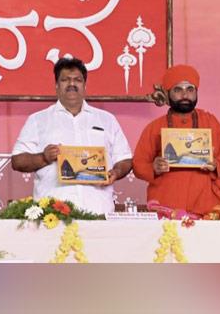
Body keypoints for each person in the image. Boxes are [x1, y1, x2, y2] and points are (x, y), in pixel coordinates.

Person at [10, 57, 133, 215]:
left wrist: (115, 172)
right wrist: (43, 157)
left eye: (77, 80)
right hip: (52, 215)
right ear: (56, 85)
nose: (72, 84)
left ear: (84, 85)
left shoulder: (107, 119)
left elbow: (125, 158)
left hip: (99, 212)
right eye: (65, 80)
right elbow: (17, 161)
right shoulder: (38, 120)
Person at [131, 64, 220, 216]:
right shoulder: (154, 127)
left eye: (190, 90)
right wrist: (153, 167)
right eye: (178, 90)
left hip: (207, 206)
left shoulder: (210, 122)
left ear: (196, 92)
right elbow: (138, 164)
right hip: (167, 207)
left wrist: (217, 165)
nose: (185, 95)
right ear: (168, 93)